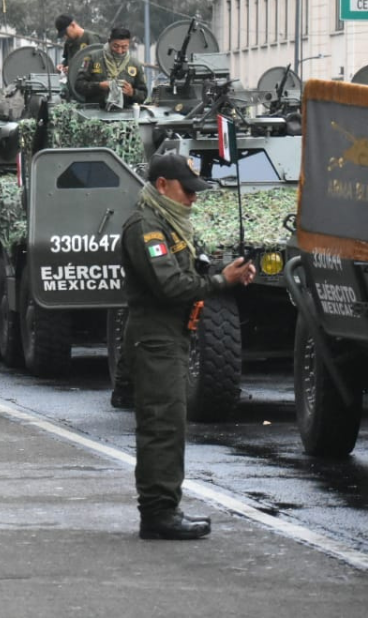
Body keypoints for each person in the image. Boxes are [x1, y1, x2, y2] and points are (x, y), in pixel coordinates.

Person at [120, 154, 255, 540]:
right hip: (156, 337)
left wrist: (222, 273)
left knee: (170, 425)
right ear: (162, 185)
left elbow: (186, 273)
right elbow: (170, 286)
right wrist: (220, 283)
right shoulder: (146, 226)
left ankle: (165, 507)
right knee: (162, 425)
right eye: (187, 190)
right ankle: (158, 513)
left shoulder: (168, 222)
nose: (193, 199)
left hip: (170, 335)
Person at [73, 27, 148, 109]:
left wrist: (132, 92)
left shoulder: (135, 64)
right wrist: (99, 86)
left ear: (128, 44)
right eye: (115, 46)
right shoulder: (93, 58)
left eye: (124, 47)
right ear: (109, 42)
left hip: (125, 114)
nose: (119, 51)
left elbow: (144, 94)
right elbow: (78, 85)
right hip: (95, 113)